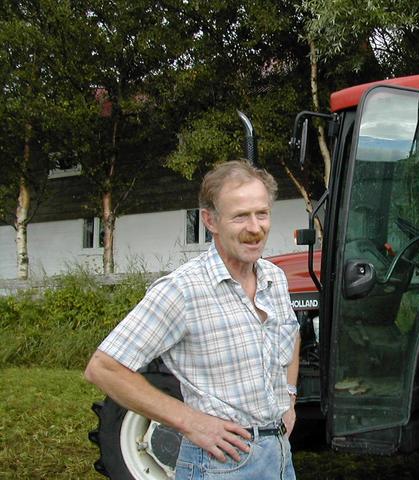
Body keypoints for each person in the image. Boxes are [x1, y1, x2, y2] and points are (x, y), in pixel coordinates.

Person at [85, 160, 301, 480]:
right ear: (210, 220)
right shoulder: (183, 290)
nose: (255, 227)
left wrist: (290, 397)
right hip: (221, 464)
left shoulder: (274, 278)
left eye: (262, 213)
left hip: (279, 454)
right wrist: (190, 422)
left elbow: (291, 335)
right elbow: (103, 368)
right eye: (240, 216)